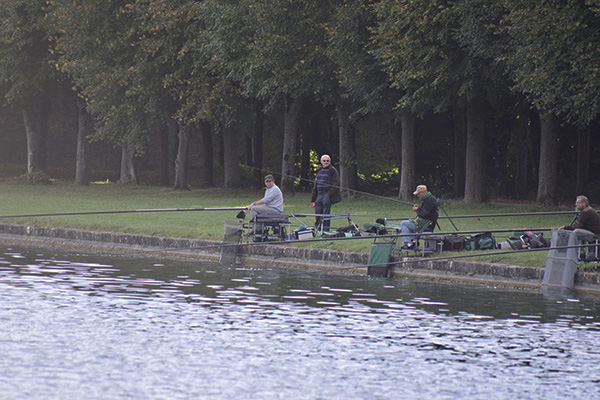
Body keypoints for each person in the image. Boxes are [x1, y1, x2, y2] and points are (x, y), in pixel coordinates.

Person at [400, 185, 439, 249]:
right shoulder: (428, 198)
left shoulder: (430, 199)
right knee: (407, 224)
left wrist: (417, 210)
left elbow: (424, 214)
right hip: (425, 222)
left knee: (403, 224)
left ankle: (409, 243)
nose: (418, 196)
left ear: (423, 192)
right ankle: (413, 241)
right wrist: (419, 207)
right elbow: (426, 210)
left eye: (418, 194)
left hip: (427, 224)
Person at [311, 154, 341, 232]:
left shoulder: (333, 170)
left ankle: (325, 230)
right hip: (318, 194)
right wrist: (313, 198)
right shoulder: (319, 170)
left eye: (327, 161)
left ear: (330, 161)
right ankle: (318, 229)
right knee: (318, 212)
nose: (326, 162)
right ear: (321, 161)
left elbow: (336, 183)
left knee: (326, 213)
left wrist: (329, 194)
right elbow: (315, 184)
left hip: (327, 194)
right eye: (324, 161)